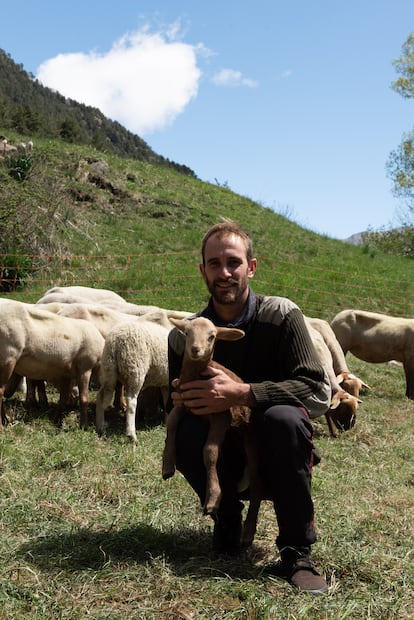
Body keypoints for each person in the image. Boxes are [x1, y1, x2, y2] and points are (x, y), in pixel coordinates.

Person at [167, 220, 331, 594]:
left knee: (284, 418)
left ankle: (296, 551)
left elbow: (313, 385)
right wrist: (182, 397)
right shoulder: (185, 335)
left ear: (251, 267)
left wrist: (243, 393)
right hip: (222, 439)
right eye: (214, 263)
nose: (224, 273)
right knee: (187, 426)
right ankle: (226, 519)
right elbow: (173, 400)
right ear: (202, 270)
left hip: (275, 443)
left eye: (233, 262)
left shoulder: (281, 315)